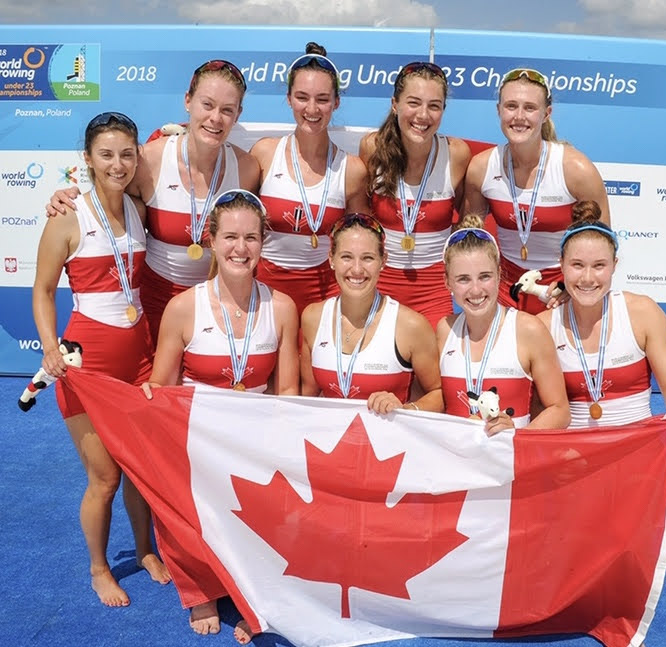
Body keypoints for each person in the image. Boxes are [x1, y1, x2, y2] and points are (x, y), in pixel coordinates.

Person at [142, 189, 299, 642]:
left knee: (268, 510)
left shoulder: (282, 307)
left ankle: (252, 592)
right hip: (197, 436)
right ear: (211, 240)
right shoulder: (183, 307)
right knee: (182, 500)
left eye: (251, 237)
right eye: (230, 236)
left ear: (263, 241)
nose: (240, 248)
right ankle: (202, 589)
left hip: (255, 436)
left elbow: (286, 391)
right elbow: (163, 388)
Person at [32, 112, 170, 607]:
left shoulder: (137, 205)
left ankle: (144, 548)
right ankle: (98, 568)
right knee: (105, 476)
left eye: (127, 154)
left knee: (138, 469)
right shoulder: (66, 216)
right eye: (106, 155)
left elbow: (167, 141)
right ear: (87, 160)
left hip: (139, 356)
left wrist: (167, 131)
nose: (118, 164)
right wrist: (50, 345)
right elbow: (43, 290)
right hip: (86, 364)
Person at [47, 59, 261, 341]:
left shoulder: (247, 169)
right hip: (153, 303)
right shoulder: (150, 160)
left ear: (238, 114)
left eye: (227, 110)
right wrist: (68, 197)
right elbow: (106, 200)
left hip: (215, 305)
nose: (215, 118)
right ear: (188, 101)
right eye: (207, 105)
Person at [537, 200, 666, 439]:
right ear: (561, 264)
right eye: (577, 265)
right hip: (570, 459)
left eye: (599, 265)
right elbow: (536, 408)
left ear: (614, 265)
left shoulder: (643, 313)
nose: (587, 278)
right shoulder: (542, 327)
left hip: (635, 456)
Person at [463, 67, 610, 314]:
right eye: (511, 106)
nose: (519, 116)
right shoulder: (481, 167)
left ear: (546, 114)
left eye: (530, 108)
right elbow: (470, 239)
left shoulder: (575, 169)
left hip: (562, 294)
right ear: (498, 110)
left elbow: (603, 246)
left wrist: (568, 285)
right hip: (505, 294)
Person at [250, 42, 368, 317]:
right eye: (302, 97)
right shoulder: (265, 153)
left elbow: (358, 243)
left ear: (336, 102)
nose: (312, 109)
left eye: (323, 99)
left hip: (324, 299)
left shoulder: (351, 169)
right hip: (263, 294)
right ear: (289, 98)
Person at [360, 61, 471, 328]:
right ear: (395, 104)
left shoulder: (456, 154)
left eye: (434, 106)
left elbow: (465, 223)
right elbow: (362, 224)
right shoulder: (371, 149)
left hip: (435, 291)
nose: (423, 115)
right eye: (413, 103)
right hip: (379, 286)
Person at [437, 215, 570, 435]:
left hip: (509, 464)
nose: (476, 290)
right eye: (463, 279)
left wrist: (516, 434)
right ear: (447, 282)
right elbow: (435, 401)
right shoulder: (445, 329)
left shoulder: (527, 329)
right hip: (455, 463)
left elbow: (560, 410)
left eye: (485, 276)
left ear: (500, 275)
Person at [301, 212, 442, 414]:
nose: (357, 269)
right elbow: (307, 397)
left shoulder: (410, 326)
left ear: (383, 260)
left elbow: (439, 394)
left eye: (367, 258)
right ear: (331, 259)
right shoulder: (313, 317)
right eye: (346, 257)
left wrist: (405, 409)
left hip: (388, 442)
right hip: (329, 442)